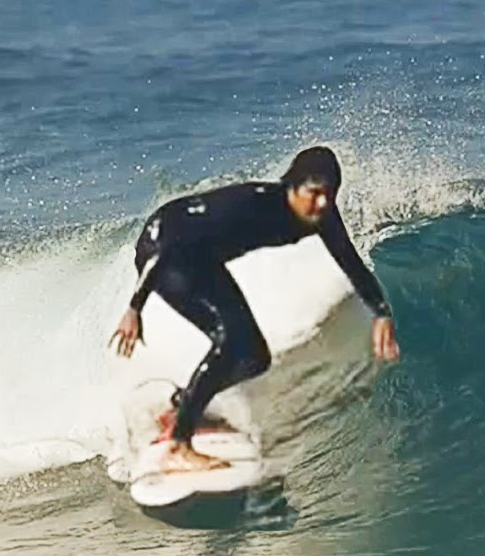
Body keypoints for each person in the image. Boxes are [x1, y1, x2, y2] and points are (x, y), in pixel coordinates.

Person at [109, 146, 400, 472]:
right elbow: (169, 239)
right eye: (314, 193)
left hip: (202, 261)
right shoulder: (253, 203)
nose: (321, 203)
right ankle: (179, 443)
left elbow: (350, 262)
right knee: (231, 340)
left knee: (254, 357)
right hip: (163, 248)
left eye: (329, 195)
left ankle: (183, 405)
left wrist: (381, 312)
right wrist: (135, 307)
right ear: (292, 185)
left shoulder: (321, 217)